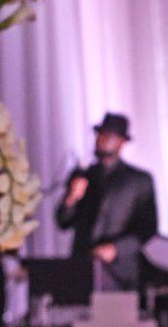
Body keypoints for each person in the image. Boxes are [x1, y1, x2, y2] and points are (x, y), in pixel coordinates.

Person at [54, 111, 158, 290]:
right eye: (99, 134)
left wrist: (117, 249)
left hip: (120, 272)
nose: (101, 139)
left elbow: (148, 227)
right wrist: (71, 198)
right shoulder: (83, 175)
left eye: (108, 135)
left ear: (122, 142)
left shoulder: (138, 180)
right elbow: (62, 221)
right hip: (82, 268)